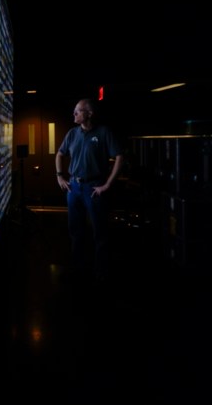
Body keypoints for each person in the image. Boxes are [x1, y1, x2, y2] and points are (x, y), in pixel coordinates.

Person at [55, 98, 124, 285]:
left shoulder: (103, 132)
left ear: (89, 113)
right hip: (74, 187)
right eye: (74, 111)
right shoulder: (72, 133)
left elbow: (119, 156)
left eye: (78, 111)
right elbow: (60, 153)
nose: (74, 114)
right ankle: (78, 267)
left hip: (94, 188)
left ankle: (101, 270)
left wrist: (108, 184)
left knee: (99, 230)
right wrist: (60, 176)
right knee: (75, 230)